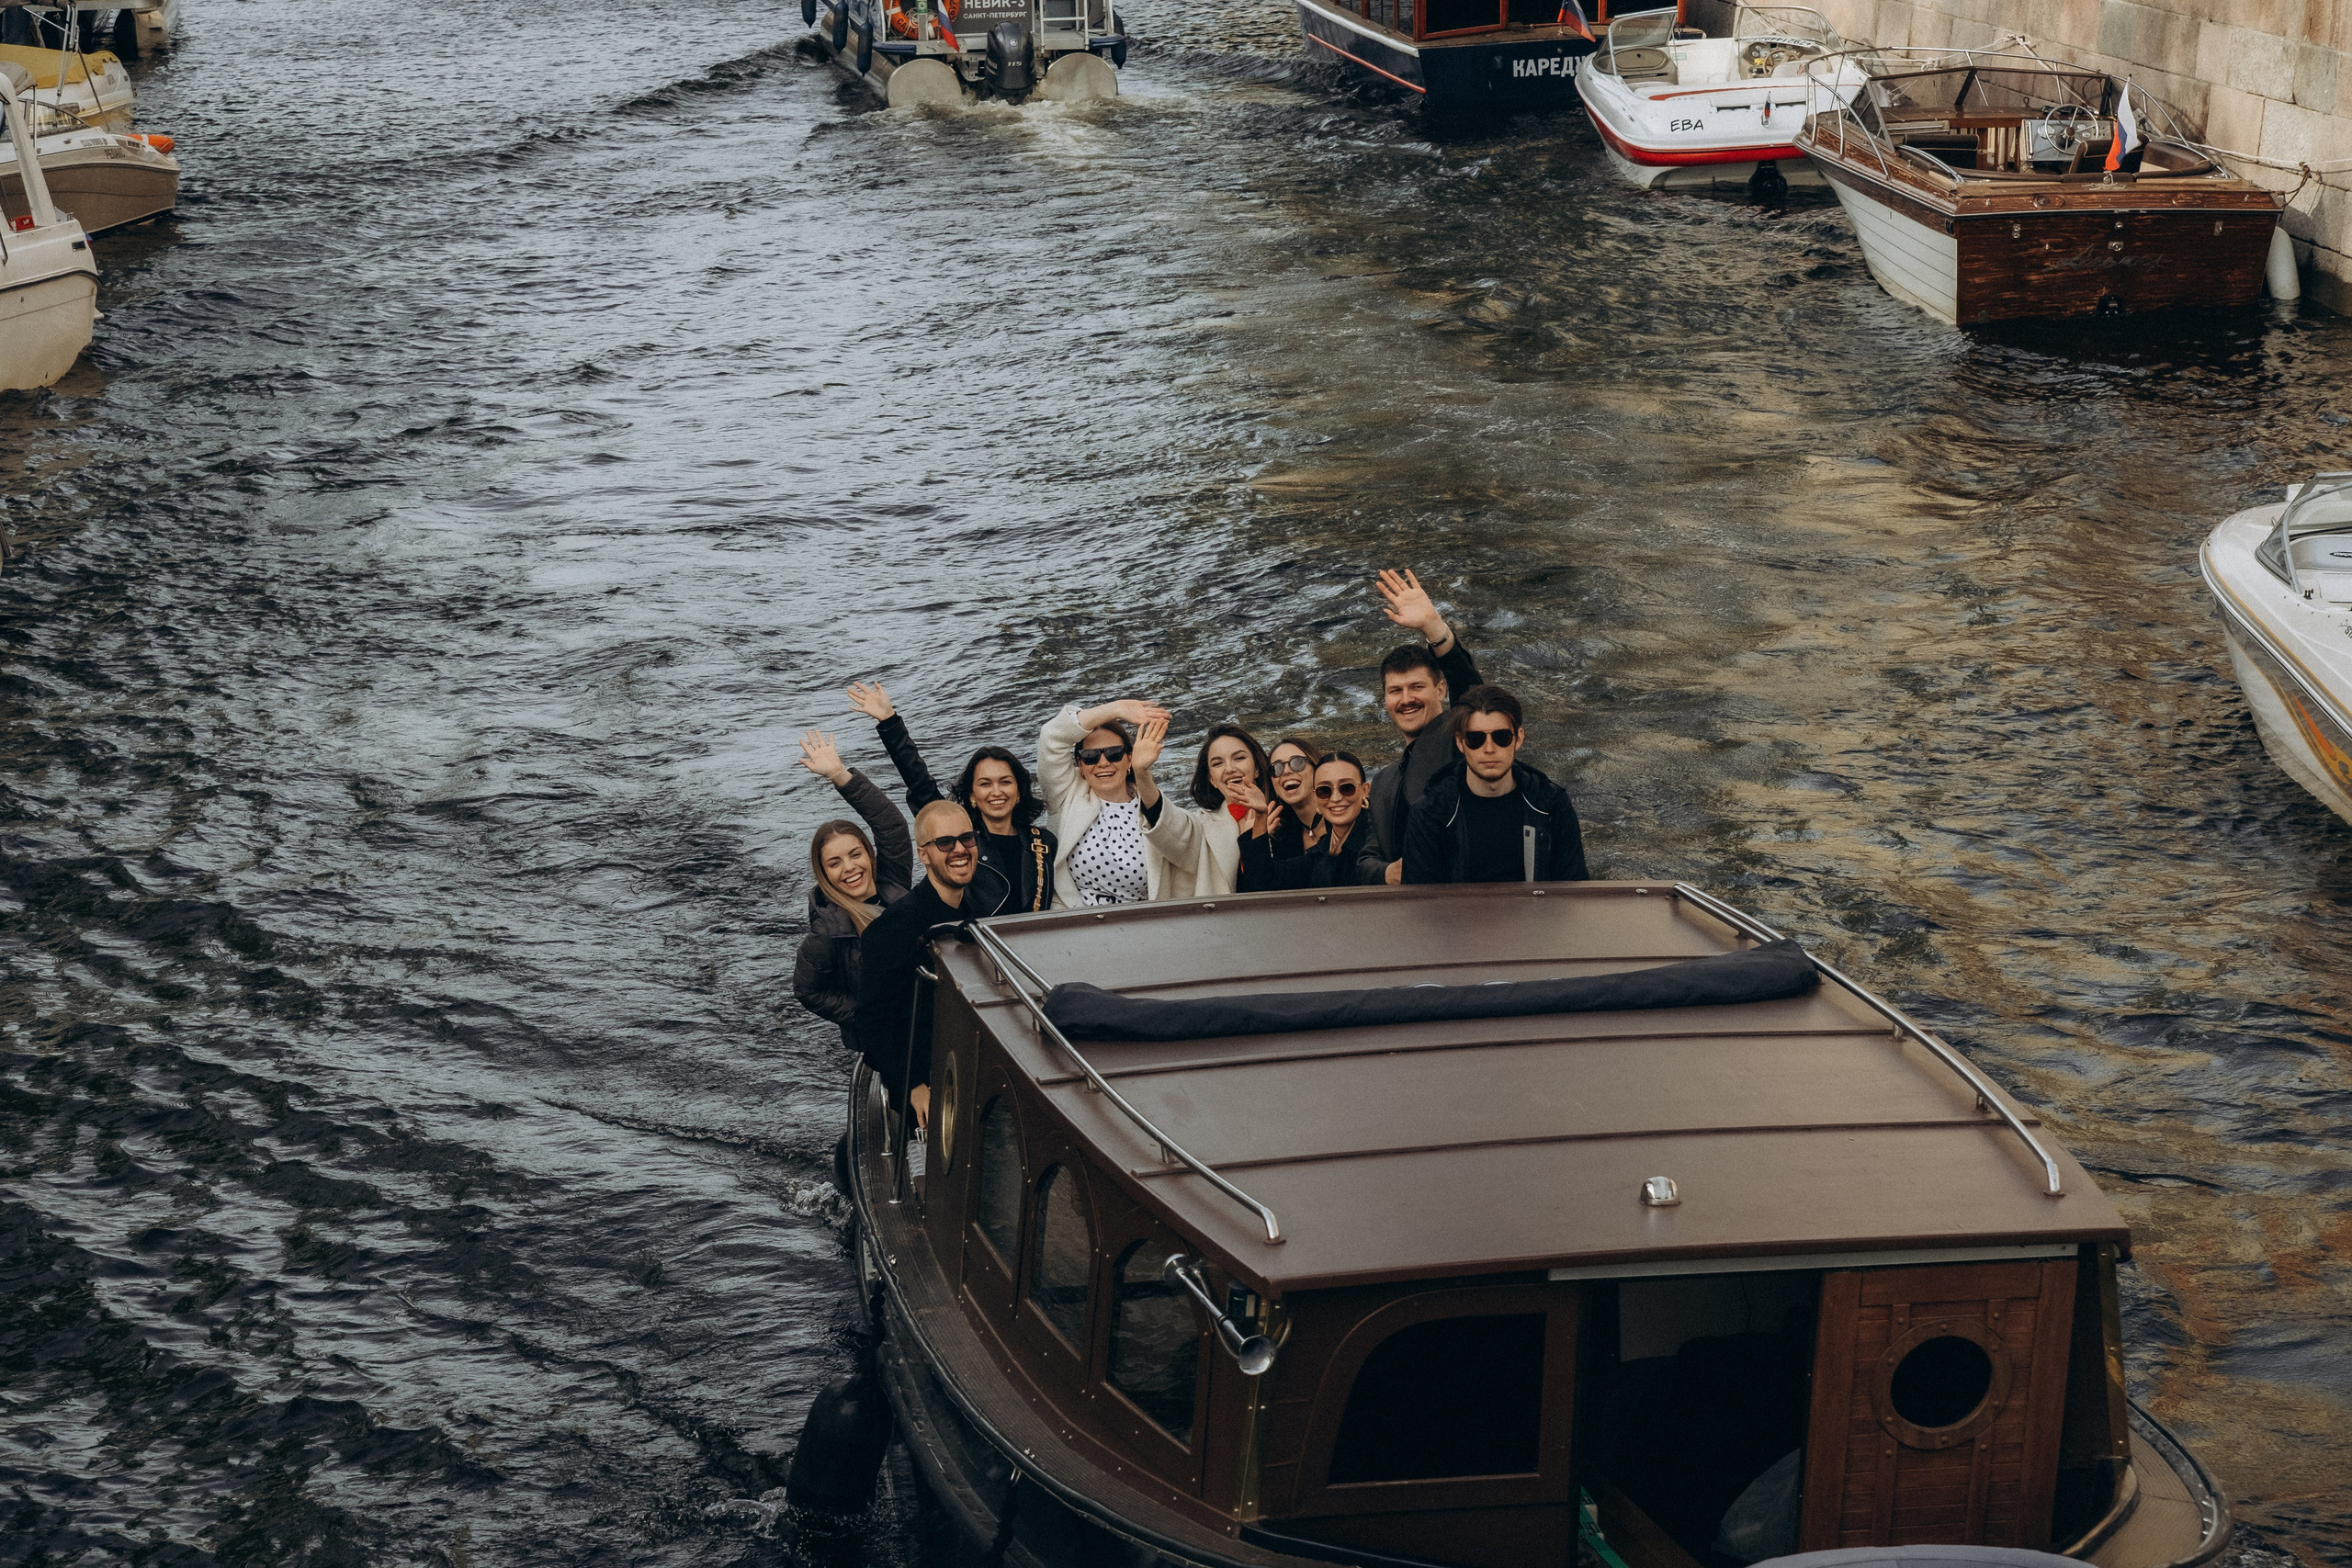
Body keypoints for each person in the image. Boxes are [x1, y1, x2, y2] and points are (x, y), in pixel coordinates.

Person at [843, 681, 1057, 915]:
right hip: (973, 945)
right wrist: (889, 721)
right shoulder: (955, 841)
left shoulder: (1043, 843)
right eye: (985, 784)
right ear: (972, 796)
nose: (996, 792)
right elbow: (920, 783)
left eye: (1005, 782)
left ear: (1018, 792)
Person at [1037, 702, 1238, 905]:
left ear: (1129, 758)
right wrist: (1116, 710)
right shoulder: (1065, 795)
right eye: (1090, 756)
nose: (1103, 763)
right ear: (1080, 764)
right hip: (1075, 923)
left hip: (1138, 924)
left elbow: (1187, 842)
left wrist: (1142, 773)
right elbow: (1052, 737)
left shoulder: (1153, 808)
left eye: (1114, 753)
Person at [854, 799, 980, 1122]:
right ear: (923, 854)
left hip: (974, 1063)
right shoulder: (893, 929)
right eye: (944, 842)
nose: (960, 850)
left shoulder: (983, 911)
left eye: (967, 838)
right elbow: (873, 1021)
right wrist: (913, 1086)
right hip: (925, 1080)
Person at [791, 731, 914, 1052]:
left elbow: (891, 827)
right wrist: (865, 1014)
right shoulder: (827, 932)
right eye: (834, 862)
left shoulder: (895, 884)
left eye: (855, 854)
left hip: (928, 1023)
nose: (849, 868)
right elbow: (808, 991)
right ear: (824, 873)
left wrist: (839, 775)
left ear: (870, 855)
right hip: (881, 1041)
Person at [1362, 569, 1483, 886]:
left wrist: (1434, 628)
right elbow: (1366, 859)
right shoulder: (1384, 781)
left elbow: (1473, 696)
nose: (1406, 699)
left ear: (1441, 690)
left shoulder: (1459, 744)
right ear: (1385, 699)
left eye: (1417, 687)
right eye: (1395, 691)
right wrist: (1387, 873)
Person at [1402, 684, 1589, 886]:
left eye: (1502, 738)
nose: (1489, 749)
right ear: (1459, 742)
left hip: (1535, 915)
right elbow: (1420, 902)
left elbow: (1573, 892)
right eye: (1476, 739)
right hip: (1456, 917)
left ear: (1518, 739)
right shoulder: (1431, 813)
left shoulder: (1550, 804)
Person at [1240, 751, 1381, 890]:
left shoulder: (1381, 837)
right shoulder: (1322, 852)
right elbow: (1265, 881)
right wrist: (1260, 816)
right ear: (1316, 796)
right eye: (1324, 790)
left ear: (1365, 791)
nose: (1335, 798)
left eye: (1346, 788)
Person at [1262, 736, 1323, 860]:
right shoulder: (1281, 834)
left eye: (1297, 762)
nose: (1286, 771)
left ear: (1317, 769)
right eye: (1276, 768)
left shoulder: (1343, 816)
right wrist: (1259, 840)